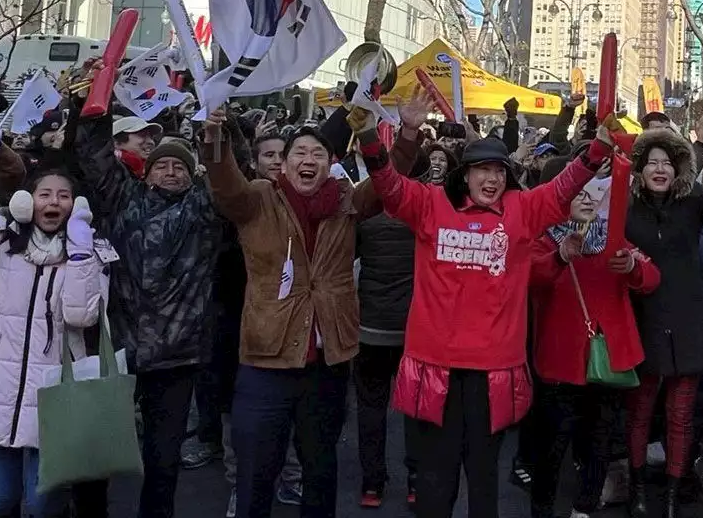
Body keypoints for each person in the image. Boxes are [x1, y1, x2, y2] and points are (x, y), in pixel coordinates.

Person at [351, 98, 615, 518]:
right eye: (482, 170)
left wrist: (598, 147)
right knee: (435, 479)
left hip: (493, 372)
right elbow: (388, 184)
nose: (491, 178)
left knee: (483, 477)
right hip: (435, 368)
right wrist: (368, 134)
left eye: (498, 171)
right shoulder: (431, 205)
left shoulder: (522, 209)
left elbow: (565, 186)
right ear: (465, 175)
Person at [200, 97, 424, 518]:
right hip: (266, 362)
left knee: (320, 474)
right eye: (299, 153)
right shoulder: (257, 200)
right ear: (282, 165)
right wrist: (214, 137)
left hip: (327, 363)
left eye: (318, 154)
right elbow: (225, 182)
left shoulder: (346, 201)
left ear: (330, 163)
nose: (308, 160)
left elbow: (388, 184)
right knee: (256, 476)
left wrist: (408, 134)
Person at [0, 135, 105, 518]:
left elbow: (81, 315)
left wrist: (80, 251)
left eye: (63, 196)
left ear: (77, 206)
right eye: (45, 194)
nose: (53, 202)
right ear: (27, 201)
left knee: (43, 505)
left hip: (57, 393)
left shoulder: (91, 251)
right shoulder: (0, 239)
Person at [76, 108, 224, 518]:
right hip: (117, 348)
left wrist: (217, 136)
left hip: (177, 357)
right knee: (99, 450)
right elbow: (94, 155)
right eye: (163, 165)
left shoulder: (202, 210)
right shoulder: (124, 198)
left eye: (180, 166)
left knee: (163, 459)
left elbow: (228, 177)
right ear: (147, 172)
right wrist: (94, 109)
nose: (171, 172)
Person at [527, 186, 659, 518]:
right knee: (552, 447)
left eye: (594, 193)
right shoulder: (545, 239)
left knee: (600, 443)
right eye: (578, 193)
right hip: (560, 359)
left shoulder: (614, 241)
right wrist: (561, 256)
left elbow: (650, 279)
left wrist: (632, 266)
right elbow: (530, 277)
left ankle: (584, 507)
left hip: (607, 358)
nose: (587, 199)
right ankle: (541, 509)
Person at [622, 127, 703, 518]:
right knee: (640, 413)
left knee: (680, 416)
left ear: (677, 169)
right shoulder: (625, 209)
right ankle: (637, 488)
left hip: (687, 324)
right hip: (643, 322)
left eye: (667, 162)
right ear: (640, 169)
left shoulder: (692, 204)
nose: (659, 169)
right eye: (652, 162)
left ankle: (671, 493)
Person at [352, 138, 452, 508]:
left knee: (370, 407)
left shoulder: (367, 216)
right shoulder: (429, 217)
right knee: (416, 410)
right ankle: (415, 480)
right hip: (415, 330)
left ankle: (371, 484)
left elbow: (348, 259)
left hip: (370, 327)